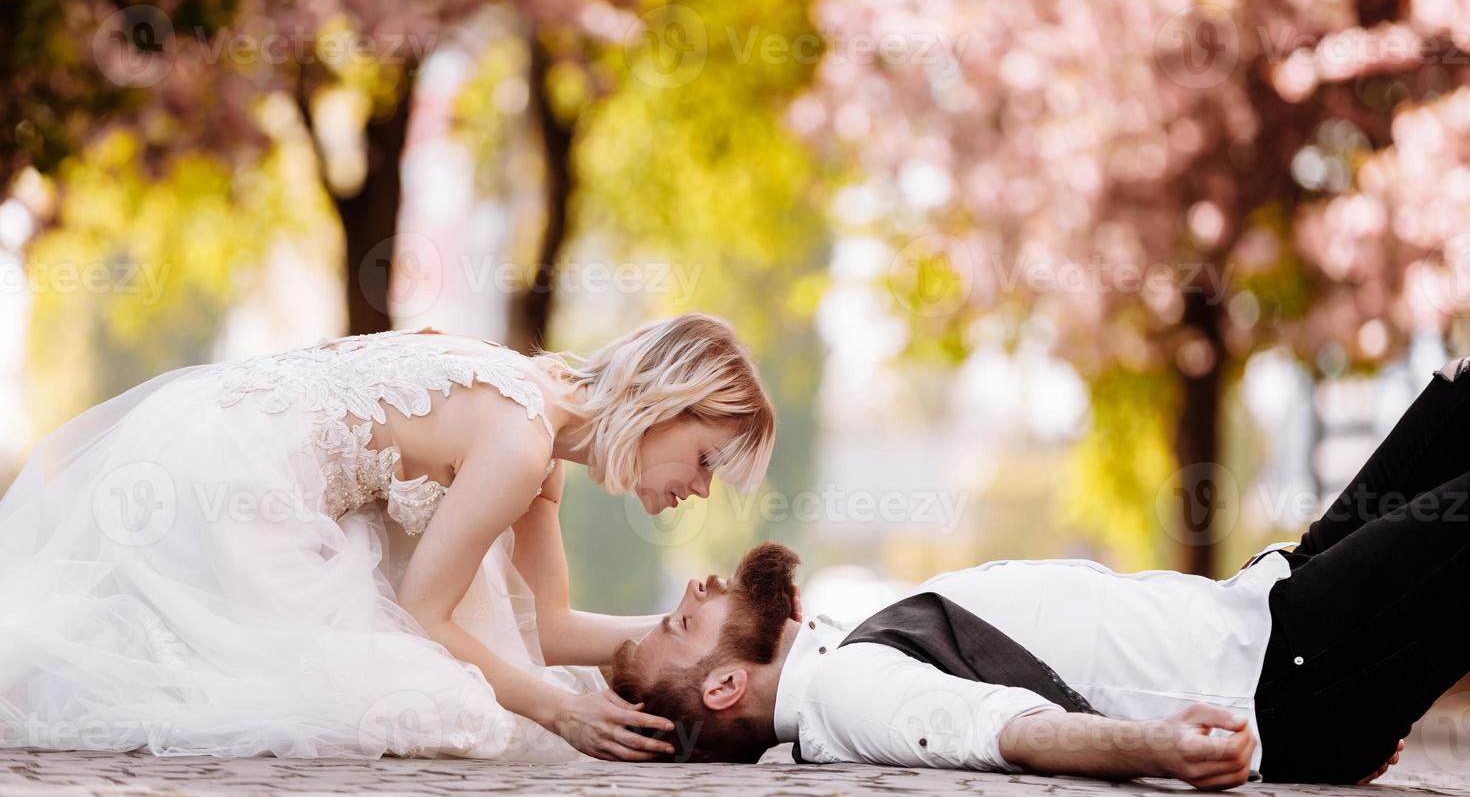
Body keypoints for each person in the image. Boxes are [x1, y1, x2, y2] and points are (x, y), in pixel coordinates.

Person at [611, 355, 1470, 787]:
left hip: (1271, 601)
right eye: (683, 624)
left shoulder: (842, 653)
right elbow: (1001, 729)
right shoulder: (848, 692)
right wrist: (1165, 749)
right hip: (1287, 672)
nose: (692, 590)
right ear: (725, 689)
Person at [0, 314, 775, 763]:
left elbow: (547, 627)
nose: (699, 488)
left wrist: (706, 638)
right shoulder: (519, 444)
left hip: (196, 428)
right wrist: (557, 712)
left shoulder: (534, 429)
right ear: (666, 402)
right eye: (705, 458)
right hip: (228, 480)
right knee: (429, 706)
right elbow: (423, 615)